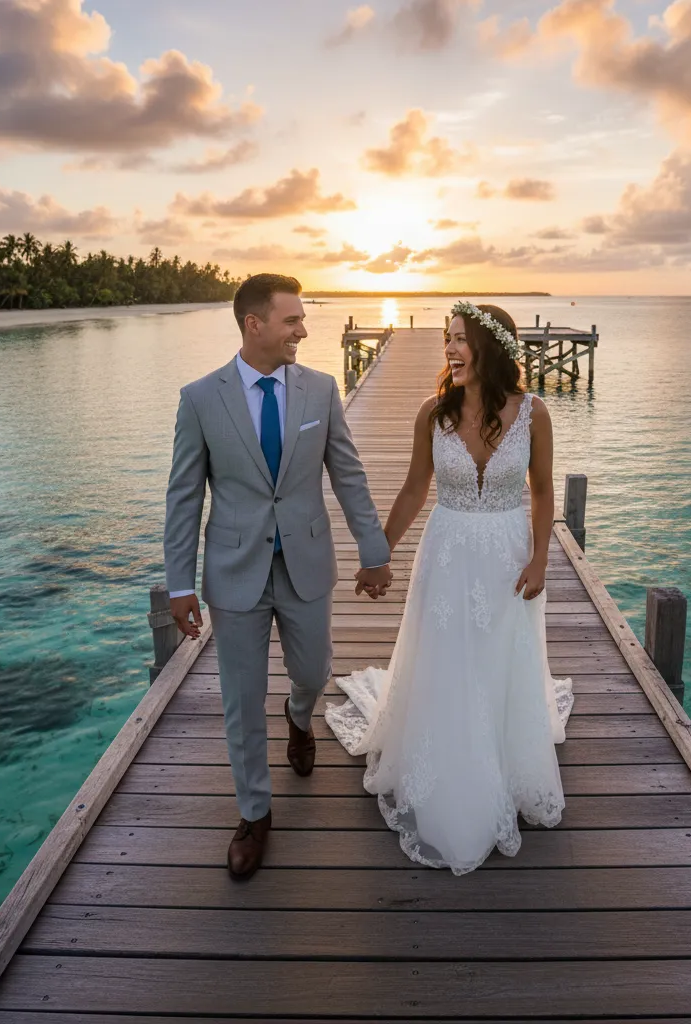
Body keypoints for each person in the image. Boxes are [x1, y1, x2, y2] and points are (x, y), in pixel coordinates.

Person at [326, 301, 574, 875]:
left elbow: (541, 492)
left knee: (497, 659)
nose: (450, 349)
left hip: (509, 554)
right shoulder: (432, 414)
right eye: (447, 339)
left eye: (460, 339)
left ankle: (502, 757)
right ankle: (451, 768)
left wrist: (541, 559)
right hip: (448, 553)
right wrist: (377, 553)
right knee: (450, 658)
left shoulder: (534, 413)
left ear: (490, 347)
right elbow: (415, 489)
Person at [163, 273, 392, 881]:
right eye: (292, 320)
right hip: (234, 573)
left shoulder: (320, 390)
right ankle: (254, 813)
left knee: (315, 669)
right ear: (254, 324)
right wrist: (180, 584)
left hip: (306, 562)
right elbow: (184, 497)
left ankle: (298, 715)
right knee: (240, 699)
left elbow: (348, 473)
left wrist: (374, 549)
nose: (304, 330)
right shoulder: (200, 399)